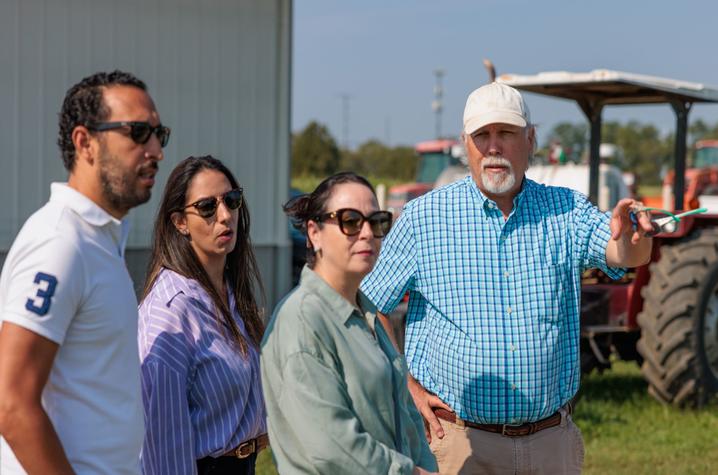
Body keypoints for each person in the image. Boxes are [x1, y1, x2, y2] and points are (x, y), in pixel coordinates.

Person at [361, 82, 654, 474]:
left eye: (507, 133)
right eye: (482, 135)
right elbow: (367, 306)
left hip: (550, 445)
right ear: (465, 143)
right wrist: (405, 386)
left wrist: (635, 237)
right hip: (457, 445)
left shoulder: (564, 210)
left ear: (530, 140)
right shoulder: (424, 219)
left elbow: (622, 252)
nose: (494, 147)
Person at [0, 70, 168, 474]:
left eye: (160, 135)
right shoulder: (61, 243)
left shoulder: (100, 242)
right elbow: (10, 402)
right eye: (138, 132)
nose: (156, 151)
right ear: (85, 142)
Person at [261, 172, 438, 475]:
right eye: (350, 221)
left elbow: (407, 419)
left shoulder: (367, 313)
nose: (367, 233)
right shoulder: (303, 321)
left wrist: (425, 465)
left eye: (377, 221)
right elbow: (331, 447)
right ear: (314, 232)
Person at [138, 156, 267, 475]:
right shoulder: (171, 312)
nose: (225, 216)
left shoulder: (229, 292)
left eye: (232, 200)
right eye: (207, 207)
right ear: (180, 222)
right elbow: (161, 447)